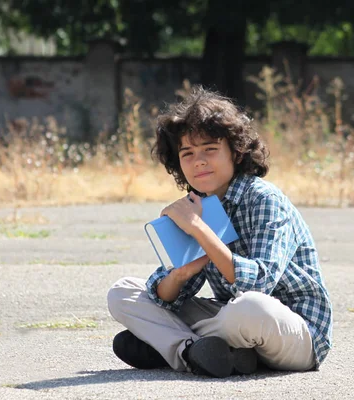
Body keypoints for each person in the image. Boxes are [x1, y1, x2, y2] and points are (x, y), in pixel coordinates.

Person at [107, 86, 332, 378]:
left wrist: (200, 230)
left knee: (249, 308)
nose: (198, 161)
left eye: (210, 149)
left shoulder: (264, 199)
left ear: (236, 153)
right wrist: (179, 274)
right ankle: (197, 351)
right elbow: (166, 297)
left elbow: (260, 283)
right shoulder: (197, 205)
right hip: (232, 321)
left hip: (293, 332)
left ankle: (172, 344)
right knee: (123, 292)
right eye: (187, 153)